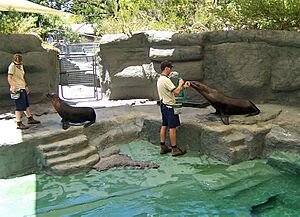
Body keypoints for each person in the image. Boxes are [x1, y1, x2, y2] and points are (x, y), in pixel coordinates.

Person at [157, 60, 190, 156]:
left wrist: (183, 87)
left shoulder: (160, 79)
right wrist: (180, 84)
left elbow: (171, 92)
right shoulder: (166, 80)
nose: (171, 70)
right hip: (170, 107)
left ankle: (162, 146)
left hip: (163, 105)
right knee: (172, 128)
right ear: (166, 68)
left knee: (164, 125)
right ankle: (174, 149)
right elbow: (176, 92)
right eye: (170, 68)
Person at [7, 52, 41, 129]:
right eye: (17, 63)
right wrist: (13, 85)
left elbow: (22, 77)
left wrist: (25, 86)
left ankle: (30, 118)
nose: (18, 64)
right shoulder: (12, 66)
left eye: (19, 62)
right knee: (19, 106)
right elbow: (9, 78)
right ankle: (18, 123)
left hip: (22, 87)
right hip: (17, 89)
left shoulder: (21, 66)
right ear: (14, 60)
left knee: (26, 104)